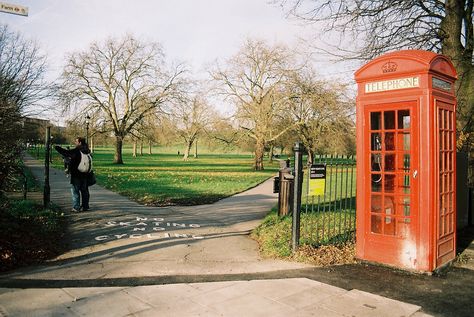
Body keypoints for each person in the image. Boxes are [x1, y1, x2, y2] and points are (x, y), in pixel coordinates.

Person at [55, 137, 91, 212]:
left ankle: (76, 207)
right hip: (85, 174)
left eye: (76, 141)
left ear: (80, 142)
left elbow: (66, 153)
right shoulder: (87, 151)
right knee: (84, 191)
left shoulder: (77, 151)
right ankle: (85, 206)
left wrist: (57, 147)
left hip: (76, 174)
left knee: (75, 191)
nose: (75, 142)